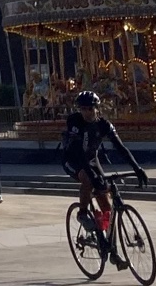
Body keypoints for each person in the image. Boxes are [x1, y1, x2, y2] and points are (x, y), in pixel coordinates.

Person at [60, 89, 146, 269]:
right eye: (83, 109)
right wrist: (91, 176)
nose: (86, 113)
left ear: (97, 109)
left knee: (107, 205)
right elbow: (76, 150)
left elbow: (121, 148)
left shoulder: (104, 125)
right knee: (88, 180)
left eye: (90, 109)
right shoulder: (74, 121)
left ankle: (111, 249)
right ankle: (83, 212)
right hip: (72, 159)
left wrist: (137, 168)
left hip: (92, 158)